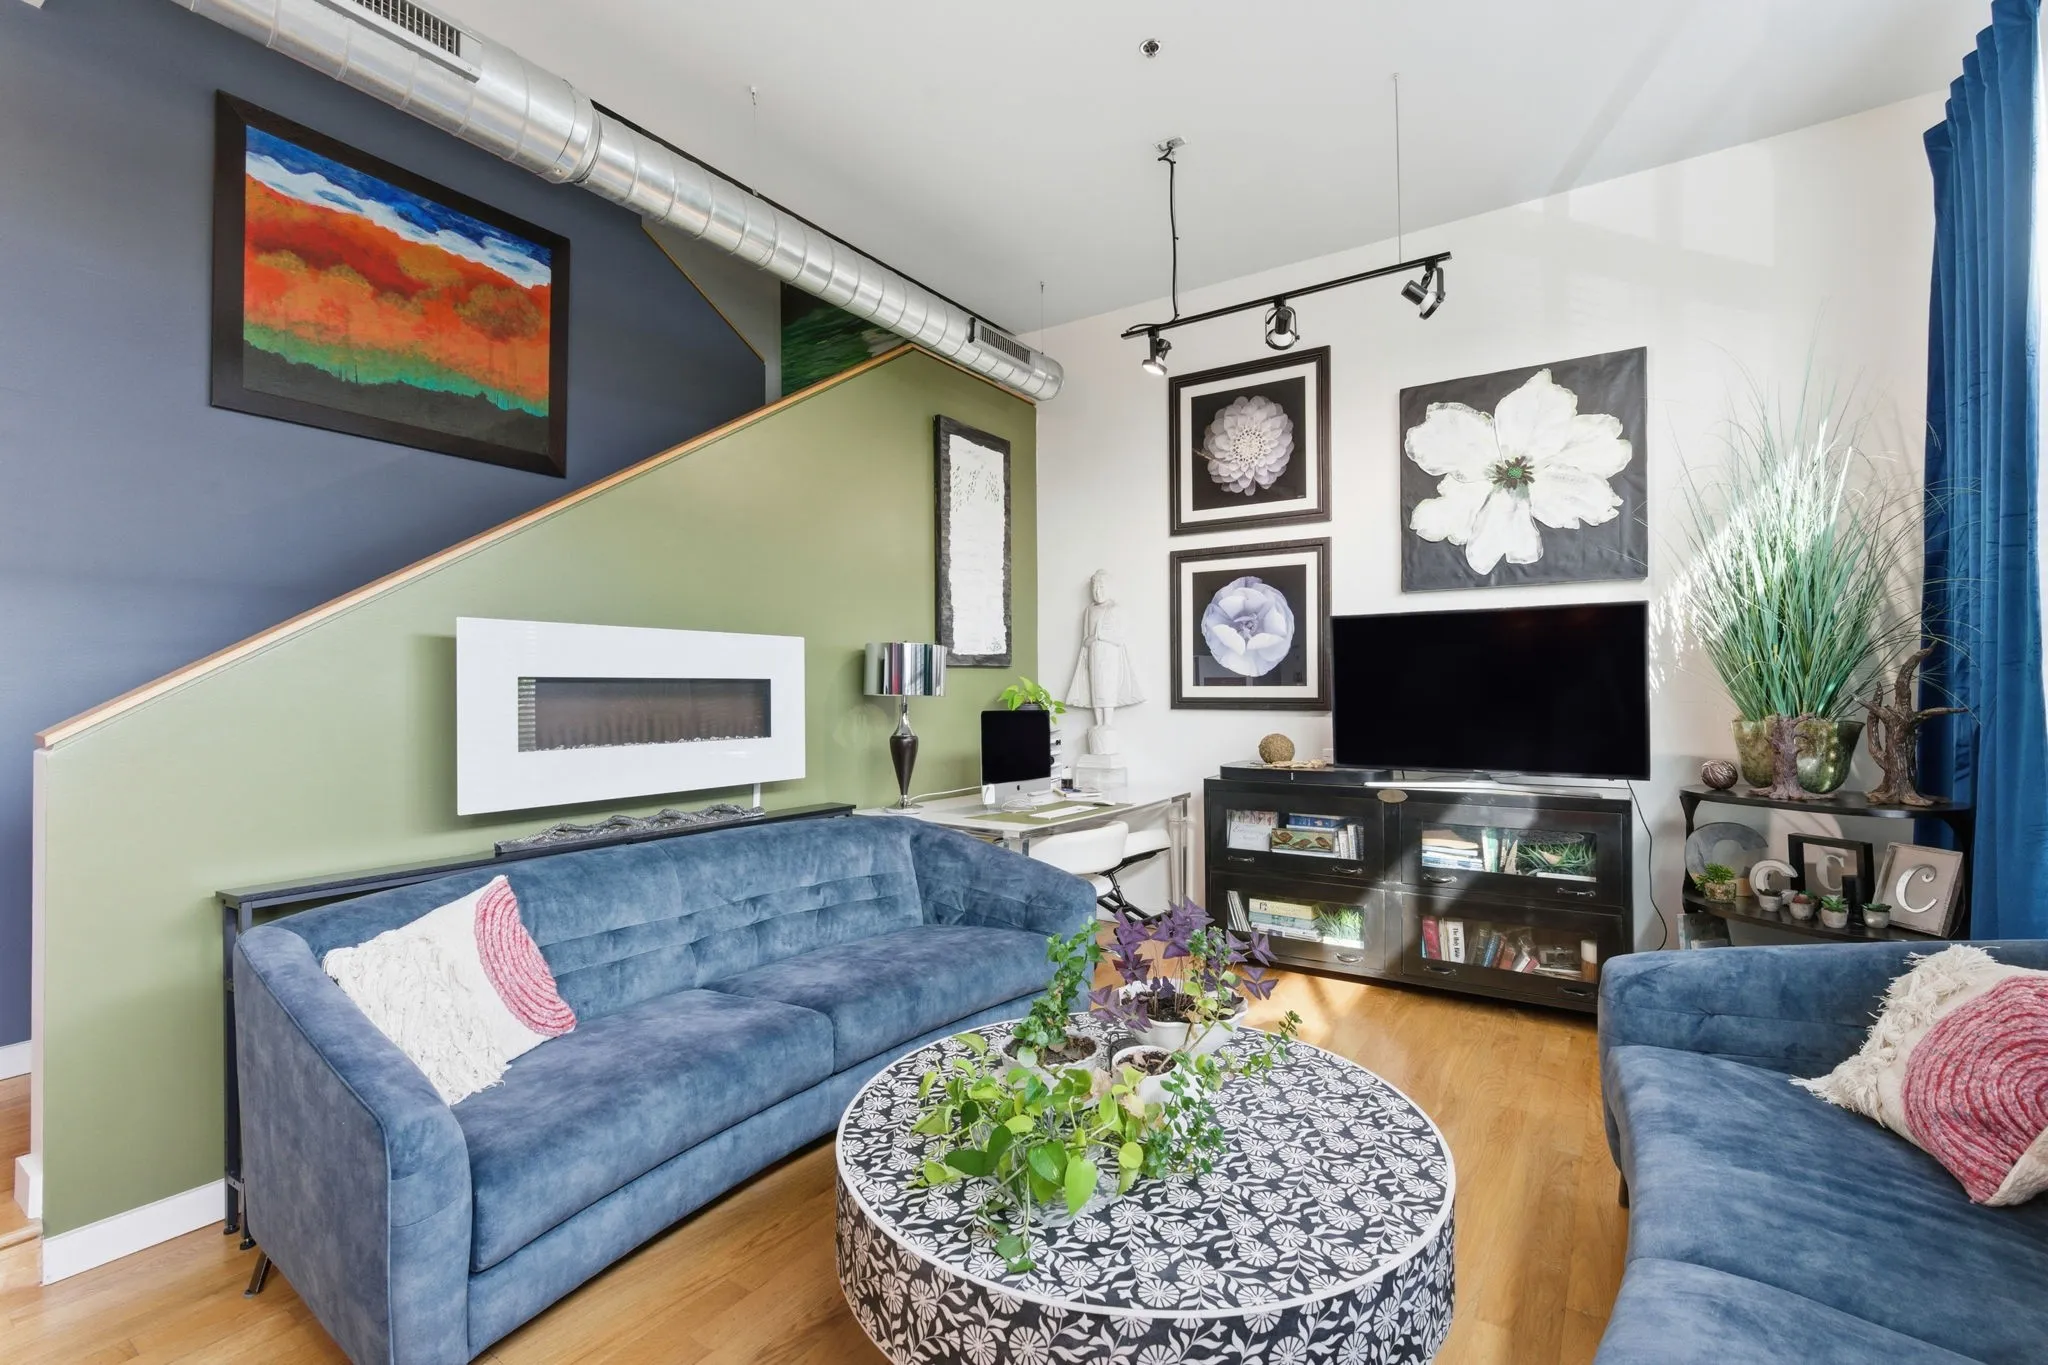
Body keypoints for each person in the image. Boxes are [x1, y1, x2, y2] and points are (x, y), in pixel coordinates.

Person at [1065, 570, 1144, 754]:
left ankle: (1107, 723)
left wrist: (1100, 636)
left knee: (1107, 688)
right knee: (1095, 688)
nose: (1098, 591)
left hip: (1109, 656)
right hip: (1093, 655)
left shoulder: (1115, 609)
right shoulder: (1089, 611)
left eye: (1101, 587)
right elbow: (1085, 640)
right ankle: (1099, 723)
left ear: (1109, 588)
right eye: (1095, 588)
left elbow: (1119, 638)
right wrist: (1092, 639)